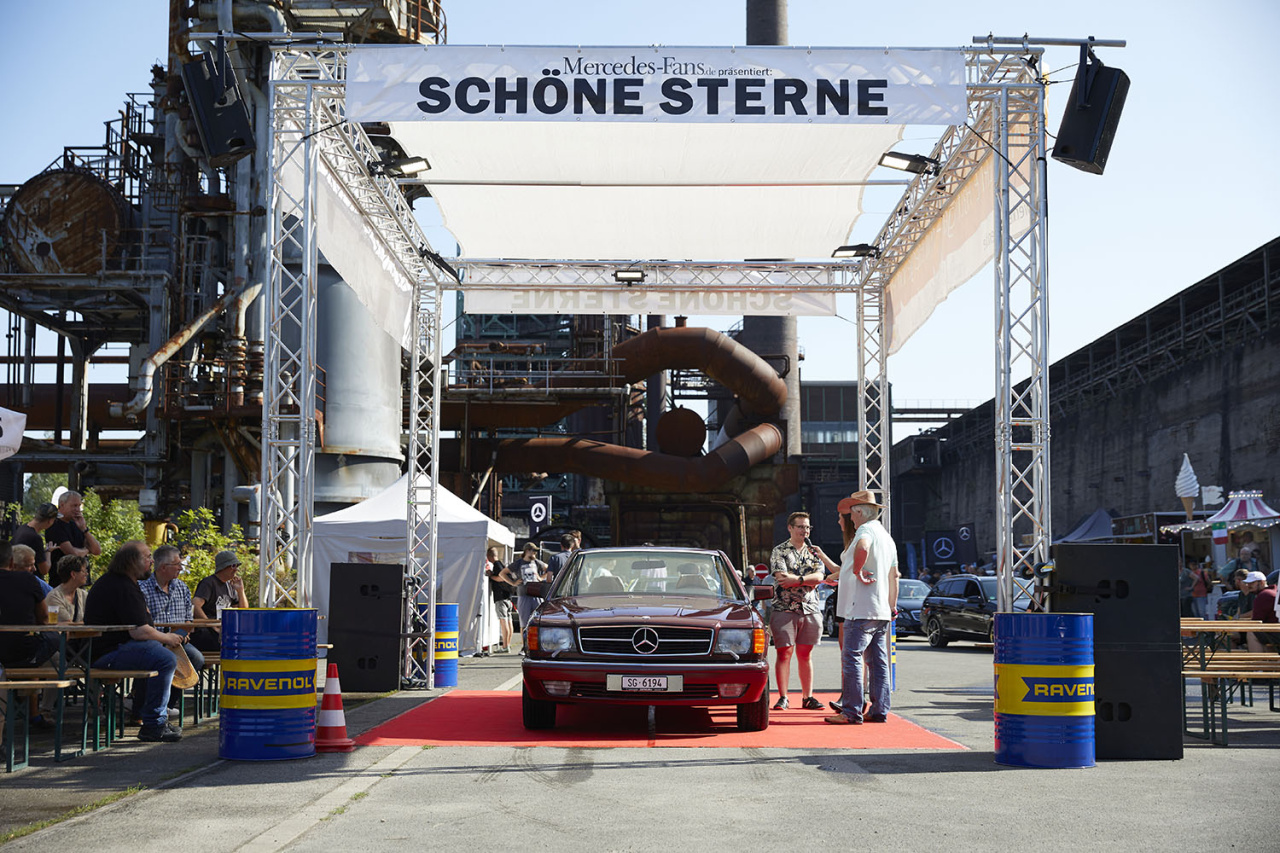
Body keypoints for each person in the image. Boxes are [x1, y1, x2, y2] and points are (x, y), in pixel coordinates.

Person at [83, 541, 183, 742]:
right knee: (164, 659)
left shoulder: (125, 583)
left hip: (116, 648)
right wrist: (168, 638)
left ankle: (147, 715)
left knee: (157, 653)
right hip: (105, 654)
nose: (151, 561)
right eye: (147, 557)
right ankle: (154, 724)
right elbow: (139, 631)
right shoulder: (120, 586)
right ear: (132, 561)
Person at [827, 490, 899, 726]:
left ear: (858, 511)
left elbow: (863, 547)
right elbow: (894, 576)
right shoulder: (887, 538)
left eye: (851, 513)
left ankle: (851, 711)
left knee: (852, 657)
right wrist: (892, 606)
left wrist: (857, 571)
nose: (850, 518)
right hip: (880, 609)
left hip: (860, 607)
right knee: (878, 661)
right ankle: (879, 709)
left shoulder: (865, 531)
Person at [768, 511, 834, 711]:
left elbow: (820, 577)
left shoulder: (814, 552)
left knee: (806, 654)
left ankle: (808, 697)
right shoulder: (779, 551)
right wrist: (807, 580)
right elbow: (782, 579)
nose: (804, 531)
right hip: (784, 608)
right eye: (800, 527)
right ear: (790, 528)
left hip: (810, 608)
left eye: (807, 527)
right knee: (784, 652)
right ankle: (783, 697)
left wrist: (798, 580)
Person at [136, 545, 205, 719]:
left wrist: (180, 635)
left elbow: (188, 620)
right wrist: (163, 639)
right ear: (163, 567)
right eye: (177, 564)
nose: (181, 568)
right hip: (152, 640)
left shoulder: (182, 587)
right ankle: (144, 705)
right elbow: (141, 622)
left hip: (177, 641)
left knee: (196, 658)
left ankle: (166, 704)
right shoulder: (142, 588)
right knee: (160, 658)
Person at [39, 554, 92, 719]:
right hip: (59, 645)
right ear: (73, 574)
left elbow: (92, 620)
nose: (87, 574)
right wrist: (83, 623)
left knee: (97, 660)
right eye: (84, 570)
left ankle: (94, 706)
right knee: (57, 664)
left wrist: (81, 624)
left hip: (80, 644)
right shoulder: (54, 596)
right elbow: (66, 624)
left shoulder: (83, 595)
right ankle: (45, 709)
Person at [45, 490, 102, 560]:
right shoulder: (54, 525)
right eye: (74, 506)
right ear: (62, 505)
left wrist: (85, 530)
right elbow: (72, 553)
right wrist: (87, 550)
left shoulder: (76, 524)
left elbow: (96, 550)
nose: (77, 509)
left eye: (79, 506)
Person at [12, 502, 58, 582]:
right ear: (50, 521)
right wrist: (49, 551)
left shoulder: (22, 528)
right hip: (27, 581)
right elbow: (44, 570)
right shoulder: (35, 538)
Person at [511, 542, 549, 639]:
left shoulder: (536, 562)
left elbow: (548, 568)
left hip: (536, 594)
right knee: (524, 622)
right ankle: (524, 643)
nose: (535, 554)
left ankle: (537, 641)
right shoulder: (518, 563)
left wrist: (541, 578)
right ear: (527, 551)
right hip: (523, 595)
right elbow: (503, 573)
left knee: (538, 620)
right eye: (533, 551)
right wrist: (513, 583)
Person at [485, 547, 516, 653]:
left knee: (504, 622)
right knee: (509, 621)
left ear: (489, 556)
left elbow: (501, 578)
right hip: (508, 598)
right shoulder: (502, 564)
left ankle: (505, 646)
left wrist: (491, 576)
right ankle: (508, 644)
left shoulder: (497, 565)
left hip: (501, 598)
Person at [1241, 571, 1279, 652]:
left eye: (1252, 583)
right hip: (1275, 630)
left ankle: (1257, 659)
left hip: (1275, 631)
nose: (1248, 586)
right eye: (1247, 583)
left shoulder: (1263, 596)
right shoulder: (1274, 591)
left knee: (1252, 633)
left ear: (1261, 583)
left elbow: (1256, 621)